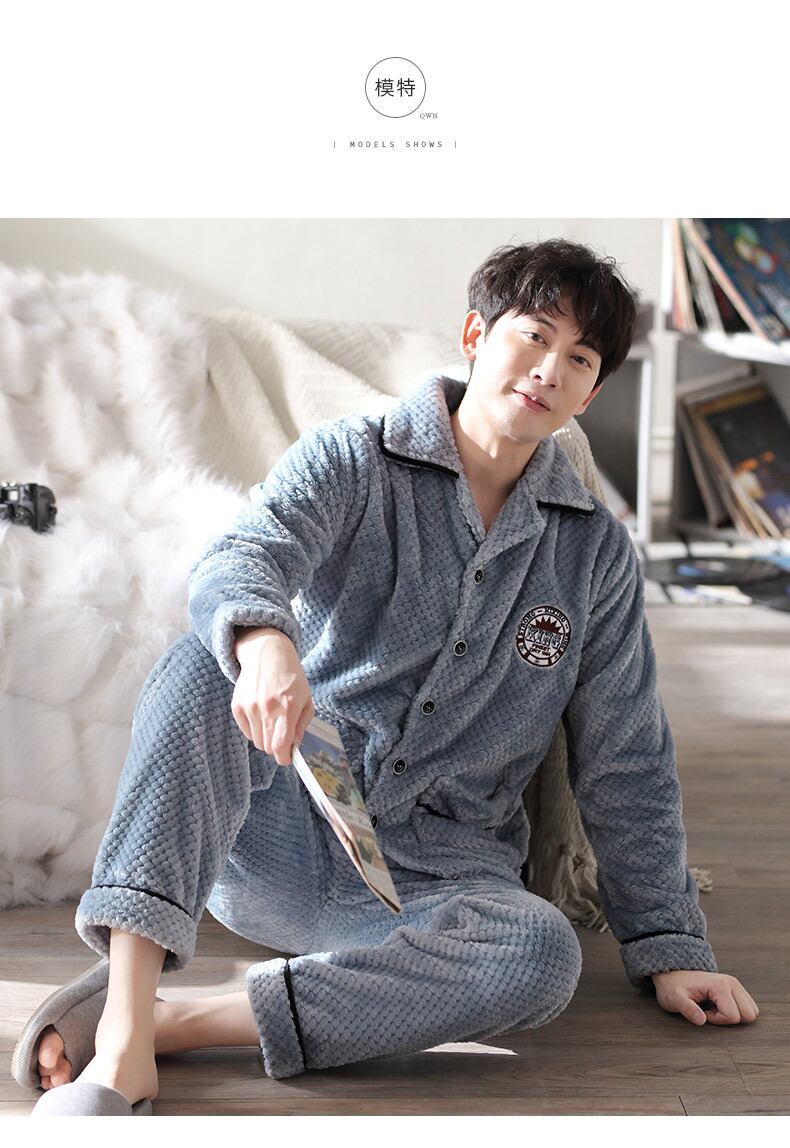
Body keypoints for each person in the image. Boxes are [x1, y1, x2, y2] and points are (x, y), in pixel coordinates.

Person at [15, 239, 759, 1116]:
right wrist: (264, 642)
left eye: (580, 358)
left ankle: (175, 1020)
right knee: (198, 663)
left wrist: (671, 944)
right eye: (534, 335)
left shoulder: (593, 552)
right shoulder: (352, 457)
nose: (549, 369)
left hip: (439, 877)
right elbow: (244, 556)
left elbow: (626, 753)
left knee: (541, 955)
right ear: (476, 336)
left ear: (590, 393)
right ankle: (123, 1037)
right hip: (283, 835)